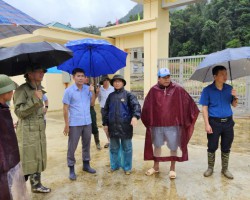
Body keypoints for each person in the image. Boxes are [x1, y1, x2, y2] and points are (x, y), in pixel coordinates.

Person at [141, 68, 199, 179]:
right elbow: (147, 108)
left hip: (173, 125)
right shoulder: (153, 90)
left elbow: (189, 103)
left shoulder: (178, 89)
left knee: (173, 146)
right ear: (158, 78)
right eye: (164, 77)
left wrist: (191, 113)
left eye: (168, 76)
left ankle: (172, 169)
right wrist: (149, 122)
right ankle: (156, 166)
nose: (167, 79)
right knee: (157, 145)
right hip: (157, 125)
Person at [13, 67, 51, 193]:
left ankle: (36, 184)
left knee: (38, 156)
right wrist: (34, 99)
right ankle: (18, 190)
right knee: (26, 159)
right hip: (27, 131)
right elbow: (19, 112)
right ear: (29, 74)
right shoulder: (21, 90)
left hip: (39, 128)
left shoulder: (39, 88)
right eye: (39, 71)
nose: (42, 73)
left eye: (43, 71)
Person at [199, 65, 238, 179]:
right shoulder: (207, 90)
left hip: (228, 123)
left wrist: (235, 97)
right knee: (212, 146)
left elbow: (234, 105)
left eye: (226, 74)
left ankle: (225, 169)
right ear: (215, 76)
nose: (225, 76)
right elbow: (205, 108)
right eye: (222, 74)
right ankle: (210, 168)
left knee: (226, 146)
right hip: (214, 122)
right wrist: (207, 124)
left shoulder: (229, 89)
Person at [103, 75, 141, 175]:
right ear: (113, 84)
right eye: (115, 81)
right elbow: (105, 110)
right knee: (113, 148)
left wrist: (135, 116)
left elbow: (136, 106)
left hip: (125, 127)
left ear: (123, 83)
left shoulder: (129, 95)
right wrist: (105, 123)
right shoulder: (110, 96)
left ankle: (127, 167)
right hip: (113, 127)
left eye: (119, 81)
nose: (117, 83)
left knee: (127, 148)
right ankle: (114, 165)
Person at [63, 68, 96, 181]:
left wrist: (93, 93)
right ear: (73, 77)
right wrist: (66, 124)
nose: (81, 78)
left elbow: (92, 104)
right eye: (78, 76)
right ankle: (71, 168)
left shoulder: (88, 89)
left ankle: (86, 165)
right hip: (75, 123)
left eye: (82, 76)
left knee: (86, 144)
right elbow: (65, 108)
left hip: (87, 122)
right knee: (72, 146)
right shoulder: (69, 91)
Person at [0, 75, 29, 200]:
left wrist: (8, 127)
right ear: (3, 92)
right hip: (3, 160)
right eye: (10, 90)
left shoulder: (3, 107)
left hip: (8, 156)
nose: (12, 93)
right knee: (4, 190)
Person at [96, 75, 114, 148]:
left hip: (112, 109)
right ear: (102, 82)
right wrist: (97, 92)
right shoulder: (100, 89)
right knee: (105, 126)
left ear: (109, 81)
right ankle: (109, 141)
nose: (106, 82)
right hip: (104, 109)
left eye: (107, 80)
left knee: (113, 125)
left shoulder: (113, 89)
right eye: (104, 81)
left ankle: (114, 141)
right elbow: (99, 99)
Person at [85, 76, 101, 150]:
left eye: (87, 76)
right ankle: (85, 145)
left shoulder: (90, 87)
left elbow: (92, 102)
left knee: (94, 126)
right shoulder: (80, 88)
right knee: (84, 128)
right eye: (84, 77)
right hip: (82, 110)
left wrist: (96, 93)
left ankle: (97, 142)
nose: (87, 78)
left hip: (90, 109)